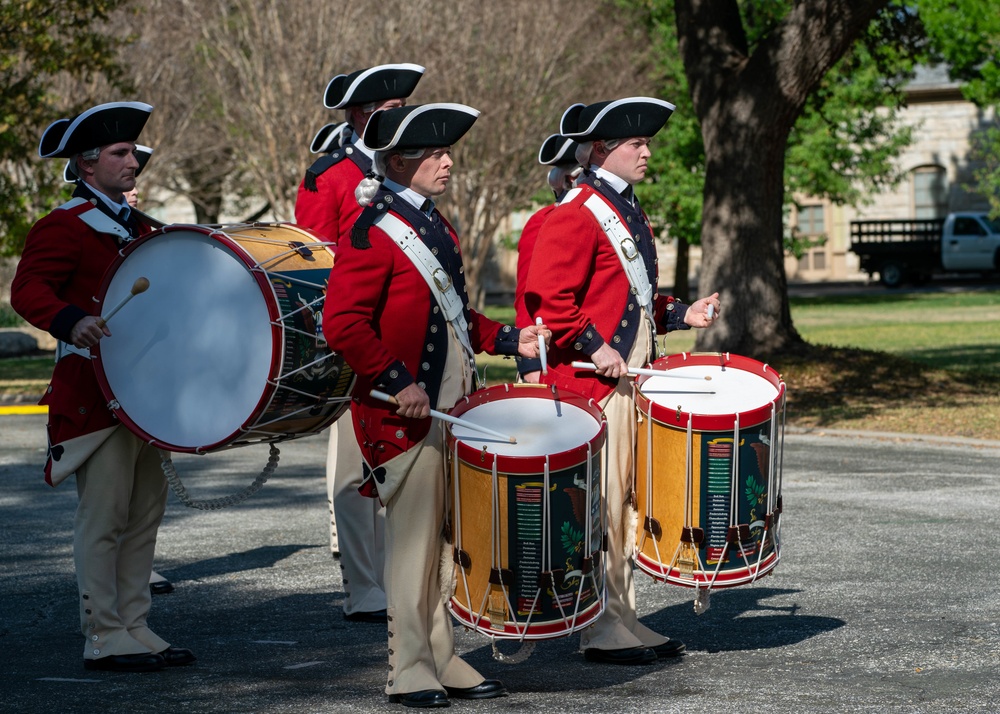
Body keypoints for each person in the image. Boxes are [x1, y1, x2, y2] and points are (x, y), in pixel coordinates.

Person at [323, 103, 550, 708]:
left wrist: (509, 339)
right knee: (414, 546)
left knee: (447, 546)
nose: (448, 162)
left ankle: (443, 655)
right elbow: (341, 322)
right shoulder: (370, 231)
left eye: (447, 153)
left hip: (451, 408)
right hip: (405, 416)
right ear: (399, 161)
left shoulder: (435, 225)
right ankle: (407, 668)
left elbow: (453, 317)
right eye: (434, 154)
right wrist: (398, 380)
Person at [523, 97, 721, 666]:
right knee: (603, 508)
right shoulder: (575, 212)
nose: (648, 152)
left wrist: (685, 315)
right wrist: (594, 346)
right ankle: (601, 627)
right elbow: (549, 300)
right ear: (603, 150)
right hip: (593, 388)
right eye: (638, 144)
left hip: (630, 383)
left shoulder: (629, 211)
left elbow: (631, 302)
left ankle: (624, 617)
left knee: (627, 506)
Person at [10, 102, 195, 672]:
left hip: (147, 394)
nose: (133, 160)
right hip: (94, 390)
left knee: (144, 515)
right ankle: (102, 632)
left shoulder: (144, 229)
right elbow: (28, 290)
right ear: (87, 165)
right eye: (120, 153)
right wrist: (71, 320)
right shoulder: (63, 225)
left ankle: (134, 624)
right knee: (105, 517)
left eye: (134, 152)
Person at [295, 63, 425, 624]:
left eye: (402, 107)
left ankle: (406, 576)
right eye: (389, 109)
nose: (401, 115)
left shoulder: (408, 166)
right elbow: (313, 262)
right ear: (360, 115)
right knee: (356, 472)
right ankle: (364, 587)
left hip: (410, 340)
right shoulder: (329, 176)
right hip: (355, 343)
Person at [514, 133, 582, 383]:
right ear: (569, 180)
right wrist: (532, 363)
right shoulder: (542, 223)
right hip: (557, 362)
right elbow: (528, 297)